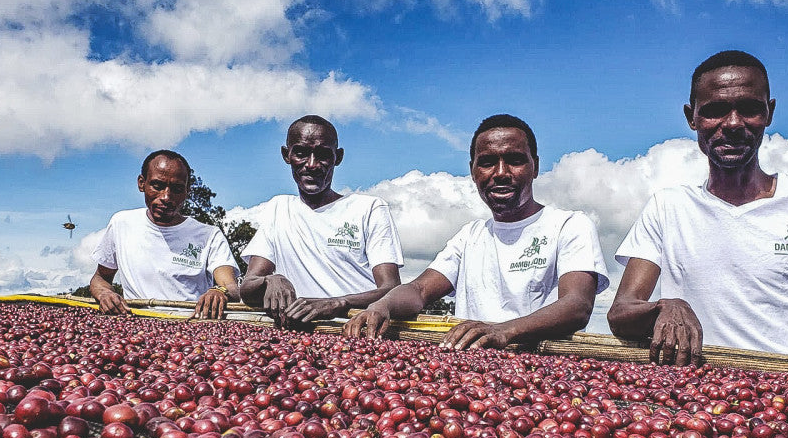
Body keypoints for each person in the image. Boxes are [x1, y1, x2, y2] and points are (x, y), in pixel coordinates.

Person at [607, 50, 788, 371]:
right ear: (691, 118)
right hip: (692, 387)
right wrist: (664, 308)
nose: (733, 123)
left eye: (750, 109)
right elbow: (621, 312)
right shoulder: (667, 207)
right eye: (715, 111)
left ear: (769, 112)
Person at [345, 114, 608, 349]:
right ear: (473, 171)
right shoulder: (469, 236)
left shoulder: (569, 225)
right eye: (488, 162)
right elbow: (419, 290)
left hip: (542, 369)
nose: (501, 173)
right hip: (473, 371)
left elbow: (577, 305)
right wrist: (383, 305)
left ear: (535, 167)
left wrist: (504, 331)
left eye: (515, 161)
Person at [240, 115, 403, 324]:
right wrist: (271, 280)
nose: (312, 164)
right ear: (286, 155)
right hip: (300, 334)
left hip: (358, 330)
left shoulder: (369, 209)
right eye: (301, 153)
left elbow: (391, 289)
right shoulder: (279, 208)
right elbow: (248, 287)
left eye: (323, 155)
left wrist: (338, 304)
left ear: (338, 157)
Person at [89, 150, 239, 318]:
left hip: (191, 324)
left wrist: (219, 291)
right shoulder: (121, 223)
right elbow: (100, 278)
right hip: (135, 323)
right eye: (157, 186)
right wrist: (104, 293)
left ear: (187, 190)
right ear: (141, 183)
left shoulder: (209, 236)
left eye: (177, 189)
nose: (166, 197)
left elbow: (230, 285)